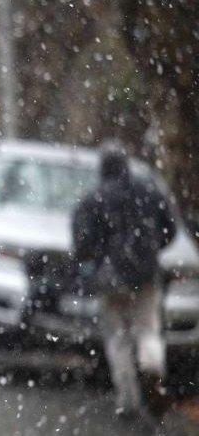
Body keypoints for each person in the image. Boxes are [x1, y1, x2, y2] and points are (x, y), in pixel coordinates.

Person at [72, 141, 176, 420]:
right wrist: (151, 249)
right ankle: (152, 365)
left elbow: (82, 242)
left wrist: (94, 259)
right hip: (146, 274)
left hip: (110, 278)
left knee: (118, 339)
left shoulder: (94, 199)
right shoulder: (150, 192)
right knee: (147, 329)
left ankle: (128, 401)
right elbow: (170, 229)